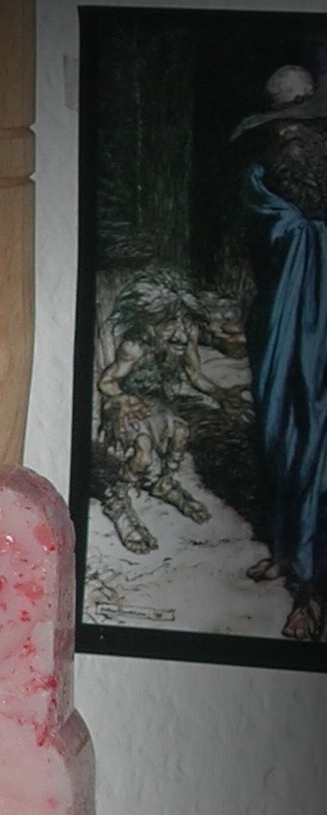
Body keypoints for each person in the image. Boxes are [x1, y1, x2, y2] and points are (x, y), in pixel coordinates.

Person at [233, 65, 327, 642]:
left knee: (320, 440)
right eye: (283, 122)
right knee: (281, 429)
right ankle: (288, 547)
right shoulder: (261, 176)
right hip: (283, 321)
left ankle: (312, 590)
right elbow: (271, 231)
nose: (291, 131)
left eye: (301, 119)